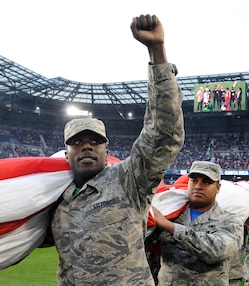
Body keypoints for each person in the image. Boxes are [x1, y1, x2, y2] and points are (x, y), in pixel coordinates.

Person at [50, 14, 185, 286]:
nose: (86, 145)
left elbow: (163, 134)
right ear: (66, 154)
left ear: (105, 149)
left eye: (94, 141)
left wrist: (156, 51)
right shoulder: (55, 199)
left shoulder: (129, 180)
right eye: (77, 142)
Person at [151, 161, 244, 285]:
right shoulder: (170, 213)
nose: (198, 186)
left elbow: (216, 251)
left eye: (206, 182)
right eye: (193, 180)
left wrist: (170, 227)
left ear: (218, 187)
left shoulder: (230, 220)